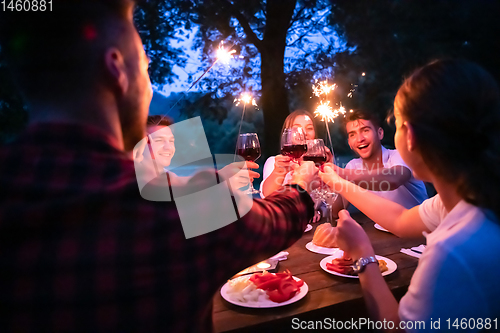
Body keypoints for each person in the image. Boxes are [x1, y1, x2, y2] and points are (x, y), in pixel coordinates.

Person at [0, 2, 317, 332]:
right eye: (146, 67)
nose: (150, 87)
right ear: (116, 69)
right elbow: (279, 220)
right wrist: (301, 184)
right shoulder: (180, 211)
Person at [320, 59, 500, 329]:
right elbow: (402, 219)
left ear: (410, 136)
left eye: (397, 122)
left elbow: (397, 327)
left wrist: (362, 253)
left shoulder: (451, 252)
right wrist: (338, 182)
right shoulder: (468, 201)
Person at [329, 109, 427, 218]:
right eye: (352, 134)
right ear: (349, 143)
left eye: (365, 130)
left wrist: (342, 174)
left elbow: (394, 179)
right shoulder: (352, 166)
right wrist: (328, 178)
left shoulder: (400, 155)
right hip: (380, 232)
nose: (360, 139)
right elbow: (336, 211)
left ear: (380, 133)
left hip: (422, 230)